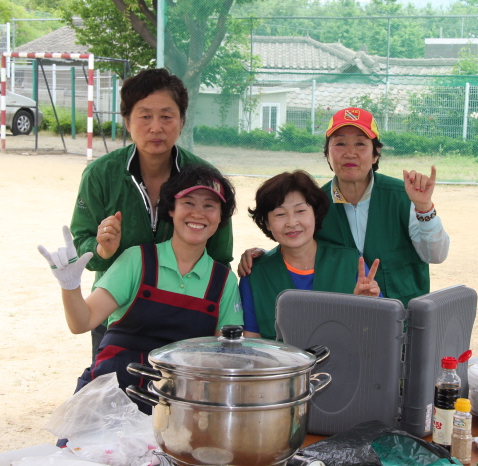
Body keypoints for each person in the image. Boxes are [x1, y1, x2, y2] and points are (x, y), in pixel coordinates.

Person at [39, 165, 249, 415]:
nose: (198, 214)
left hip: (176, 409)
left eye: (209, 206)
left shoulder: (223, 282)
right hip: (109, 399)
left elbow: (220, 359)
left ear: (220, 218)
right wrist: (70, 286)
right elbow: (81, 322)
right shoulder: (136, 260)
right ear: (171, 209)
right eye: (189, 203)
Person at [69, 69, 233, 360]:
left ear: (182, 122)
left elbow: (220, 258)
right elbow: (80, 241)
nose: (156, 127)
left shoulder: (206, 181)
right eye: (145, 116)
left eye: (167, 116)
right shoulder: (101, 174)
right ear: (127, 122)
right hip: (115, 312)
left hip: (186, 319)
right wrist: (101, 250)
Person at [239, 108, 449, 307]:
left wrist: (424, 207)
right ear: (327, 154)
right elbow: (301, 247)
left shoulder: (403, 196)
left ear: (376, 153)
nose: (350, 153)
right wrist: (264, 256)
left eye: (360, 144)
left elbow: (436, 255)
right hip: (345, 323)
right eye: (340, 144)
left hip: (403, 325)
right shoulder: (316, 203)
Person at [240, 170, 380, 339]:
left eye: (300, 211)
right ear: (267, 223)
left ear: (315, 213)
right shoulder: (255, 275)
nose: (292, 223)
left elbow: (377, 334)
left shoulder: (350, 264)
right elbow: (252, 342)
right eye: (280, 214)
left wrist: (367, 307)